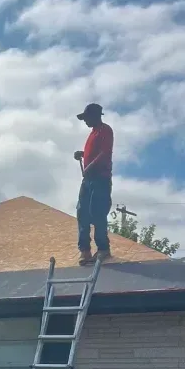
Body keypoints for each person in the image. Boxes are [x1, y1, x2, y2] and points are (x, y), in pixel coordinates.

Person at [74, 103, 114, 266]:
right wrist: (83, 154)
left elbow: (104, 153)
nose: (85, 121)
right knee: (82, 212)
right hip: (89, 179)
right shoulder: (92, 134)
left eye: (86, 118)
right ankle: (85, 250)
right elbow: (94, 152)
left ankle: (103, 248)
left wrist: (89, 167)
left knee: (97, 212)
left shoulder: (105, 130)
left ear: (95, 116)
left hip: (100, 179)